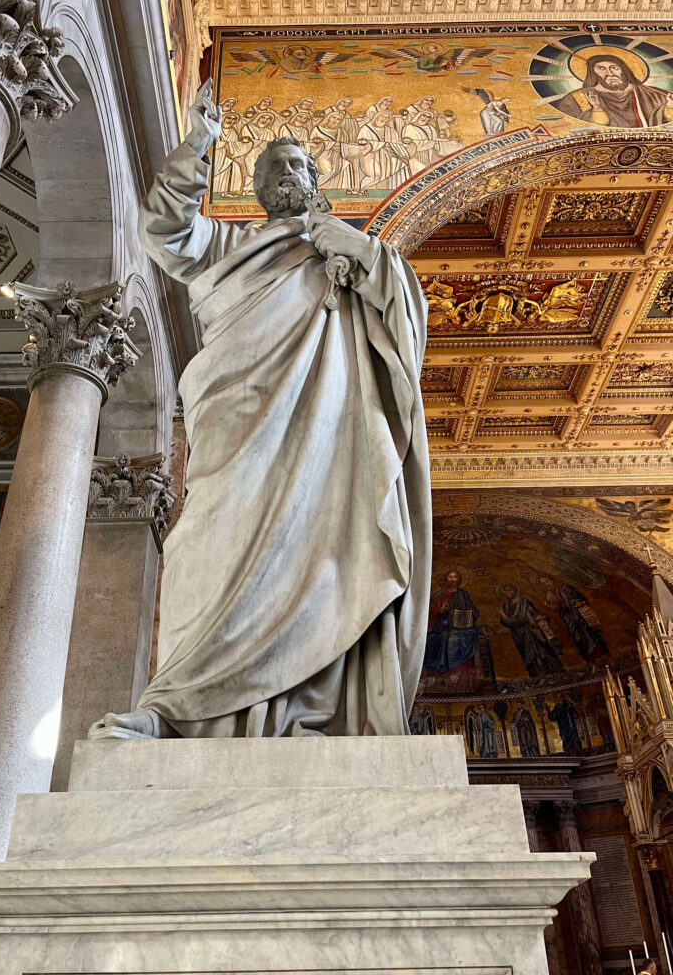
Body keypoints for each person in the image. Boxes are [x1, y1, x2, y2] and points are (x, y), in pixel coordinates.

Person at [89, 79, 431, 739]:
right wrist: (197, 144)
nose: (286, 172)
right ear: (256, 187)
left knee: (325, 548)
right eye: (273, 166)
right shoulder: (229, 245)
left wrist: (357, 253)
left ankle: (315, 706)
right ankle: (179, 701)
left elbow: (407, 314)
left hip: (328, 429)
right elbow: (163, 231)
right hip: (233, 416)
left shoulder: (344, 250)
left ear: (315, 179)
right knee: (204, 542)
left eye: (298, 163)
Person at [555, 54, 673, 128]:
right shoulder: (578, 97)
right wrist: (596, 108)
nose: (610, 73)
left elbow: (666, 122)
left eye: (614, 68)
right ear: (593, 73)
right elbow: (567, 126)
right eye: (601, 69)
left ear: (623, 70)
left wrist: (670, 106)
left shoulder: (653, 94)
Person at [499, 583, 563, 678]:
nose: (508, 592)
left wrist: (540, 616)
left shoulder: (524, 602)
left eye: (510, 589)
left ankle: (549, 673)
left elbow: (534, 613)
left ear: (516, 590)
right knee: (528, 656)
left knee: (539, 652)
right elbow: (504, 622)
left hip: (531, 631)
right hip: (518, 635)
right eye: (506, 590)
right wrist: (503, 617)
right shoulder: (506, 605)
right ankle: (538, 677)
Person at [423, 569, 479, 673]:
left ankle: (454, 668)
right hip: (440, 627)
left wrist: (472, 613)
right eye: (450, 577)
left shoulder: (463, 595)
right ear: (446, 578)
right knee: (431, 640)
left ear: (459, 580)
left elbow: (473, 609)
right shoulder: (438, 595)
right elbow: (429, 613)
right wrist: (441, 610)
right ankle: (436, 667)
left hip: (460, 628)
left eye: (455, 577)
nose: (452, 579)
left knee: (453, 639)